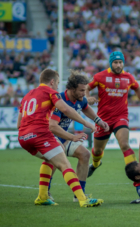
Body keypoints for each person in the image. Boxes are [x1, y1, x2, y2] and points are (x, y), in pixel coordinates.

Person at [17, 68, 103, 207]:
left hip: (24, 137)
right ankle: (82, 199)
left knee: (51, 158)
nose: (57, 86)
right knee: (64, 164)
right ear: (52, 82)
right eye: (57, 83)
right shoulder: (52, 93)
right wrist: (86, 124)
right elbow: (66, 110)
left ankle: (43, 196)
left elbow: (18, 124)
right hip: (41, 134)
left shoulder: (27, 96)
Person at [86, 51, 140, 177]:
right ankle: (95, 164)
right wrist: (88, 97)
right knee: (97, 151)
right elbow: (86, 88)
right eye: (115, 63)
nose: (118, 65)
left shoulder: (128, 77)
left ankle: (136, 173)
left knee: (124, 144)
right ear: (111, 63)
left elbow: (138, 88)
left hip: (120, 117)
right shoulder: (100, 76)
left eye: (120, 62)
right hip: (103, 120)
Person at [48, 70, 109, 202]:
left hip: (63, 138)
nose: (84, 93)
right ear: (71, 89)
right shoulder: (59, 100)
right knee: (54, 158)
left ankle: (79, 195)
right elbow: (52, 126)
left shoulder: (79, 99)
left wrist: (99, 121)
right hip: (50, 138)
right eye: (81, 90)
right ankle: (45, 192)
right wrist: (70, 137)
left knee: (85, 155)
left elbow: (86, 107)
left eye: (85, 90)